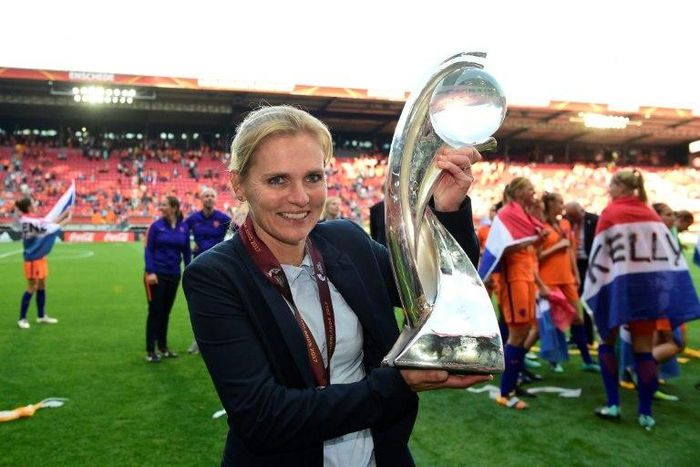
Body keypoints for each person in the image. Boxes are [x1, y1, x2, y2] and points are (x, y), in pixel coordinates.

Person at [183, 105, 490, 466]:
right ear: (239, 185)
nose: (301, 197)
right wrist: (398, 383)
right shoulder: (216, 276)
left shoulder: (347, 241)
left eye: (313, 177)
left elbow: (438, 295)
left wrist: (448, 209)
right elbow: (262, 417)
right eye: (277, 180)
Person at [584, 170, 700, 430]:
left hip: (619, 289)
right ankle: (645, 412)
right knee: (644, 351)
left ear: (618, 186)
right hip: (647, 291)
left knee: (607, 340)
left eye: (610, 185)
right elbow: (667, 258)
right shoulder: (651, 214)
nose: (607, 190)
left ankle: (613, 404)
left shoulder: (611, 213)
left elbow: (601, 258)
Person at [491, 178, 548, 410]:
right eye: (529, 188)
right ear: (517, 190)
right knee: (516, 335)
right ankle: (506, 392)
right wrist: (532, 239)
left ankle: (513, 383)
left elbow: (537, 237)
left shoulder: (522, 214)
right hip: (513, 281)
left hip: (524, 279)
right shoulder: (506, 214)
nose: (533, 191)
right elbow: (500, 249)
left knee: (523, 333)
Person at [538, 192, 599, 373]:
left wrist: (576, 274)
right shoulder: (541, 226)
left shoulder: (565, 224)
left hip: (567, 278)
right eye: (559, 203)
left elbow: (571, 250)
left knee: (577, 318)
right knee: (554, 321)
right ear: (550, 205)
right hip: (549, 279)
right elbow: (537, 256)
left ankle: (587, 360)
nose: (562, 206)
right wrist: (558, 246)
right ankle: (553, 359)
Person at [184, 187, 233, 354]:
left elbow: (241, 232)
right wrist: (188, 246)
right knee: (197, 304)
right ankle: (198, 341)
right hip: (198, 268)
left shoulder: (223, 218)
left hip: (218, 268)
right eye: (206, 196)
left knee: (219, 305)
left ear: (216, 199)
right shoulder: (193, 219)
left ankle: (219, 340)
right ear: (201, 199)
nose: (209, 199)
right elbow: (180, 232)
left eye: (212, 196)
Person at [144, 196, 191, 363]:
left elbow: (186, 251)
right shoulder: (156, 226)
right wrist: (150, 271)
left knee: (166, 312)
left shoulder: (184, 227)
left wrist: (189, 269)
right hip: (156, 274)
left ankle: (163, 347)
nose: (160, 207)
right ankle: (150, 350)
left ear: (174, 208)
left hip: (174, 274)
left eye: (163, 204)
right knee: (155, 311)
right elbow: (148, 249)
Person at [15, 198, 70, 329]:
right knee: (31, 287)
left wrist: (65, 213)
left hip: (39, 257)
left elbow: (47, 223)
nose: (35, 204)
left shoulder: (32, 219)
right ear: (28, 207)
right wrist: (67, 218)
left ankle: (41, 316)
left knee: (42, 285)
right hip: (33, 257)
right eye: (33, 203)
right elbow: (49, 227)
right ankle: (22, 319)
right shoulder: (28, 221)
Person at [563, 201, 598, 345]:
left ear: (581, 211)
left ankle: (588, 336)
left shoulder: (595, 220)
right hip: (572, 265)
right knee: (573, 301)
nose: (572, 219)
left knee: (585, 299)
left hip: (589, 264)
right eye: (570, 216)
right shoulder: (566, 223)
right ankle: (575, 335)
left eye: (574, 216)